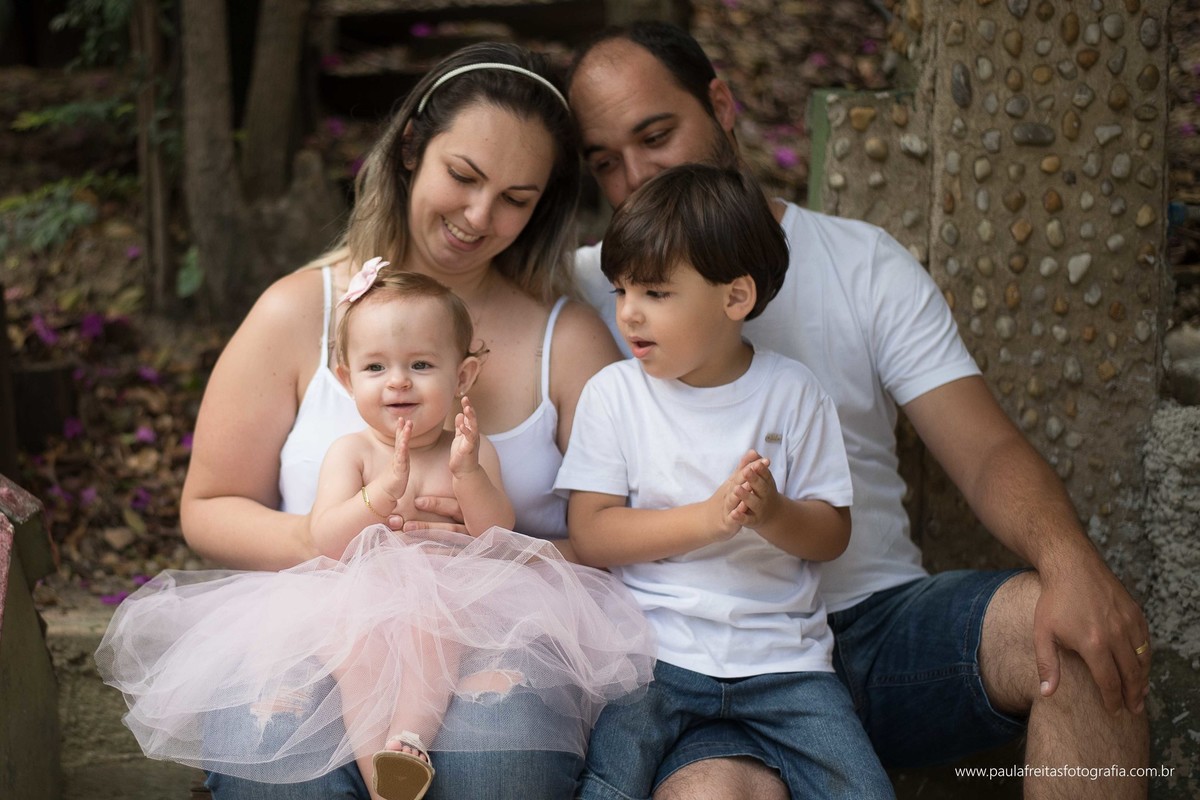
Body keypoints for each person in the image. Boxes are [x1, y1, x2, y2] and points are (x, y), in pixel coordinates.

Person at [566, 21, 1151, 800]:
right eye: (605, 162)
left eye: (657, 134)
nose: (635, 177)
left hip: (881, 633)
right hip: (700, 655)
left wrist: (1071, 561)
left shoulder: (858, 260)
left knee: (1078, 631)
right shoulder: (590, 293)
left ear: (720, 103)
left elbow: (982, 451)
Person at [175, 41, 626, 800]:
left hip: (500, 624)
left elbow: (617, 534)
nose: (481, 217)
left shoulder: (569, 340)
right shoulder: (300, 310)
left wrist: (506, 550)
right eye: (464, 176)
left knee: (499, 764)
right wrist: (332, 536)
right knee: (286, 775)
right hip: (314, 615)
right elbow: (208, 506)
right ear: (413, 147)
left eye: (517, 198)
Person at [98, 267, 655, 800]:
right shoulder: (353, 452)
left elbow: (496, 532)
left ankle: (407, 741)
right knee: (358, 658)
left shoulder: (471, 449)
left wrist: (468, 474)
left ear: (462, 376)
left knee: (432, 640)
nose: (397, 382)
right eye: (375, 369)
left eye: (420, 364)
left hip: (454, 597)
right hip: (356, 598)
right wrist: (379, 494)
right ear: (345, 378)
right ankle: (382, 772)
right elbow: (327, 537)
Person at [555, 164, 894, 799]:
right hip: (652, 657)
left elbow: (831, 533)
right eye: (621, 290)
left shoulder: (792, 394)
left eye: (655, 293)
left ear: (735, 297)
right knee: (606, 787)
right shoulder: (615, 395)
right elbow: (592, 532)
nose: (628, 314)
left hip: (785, 664)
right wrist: (708, 520)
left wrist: (774, 515)